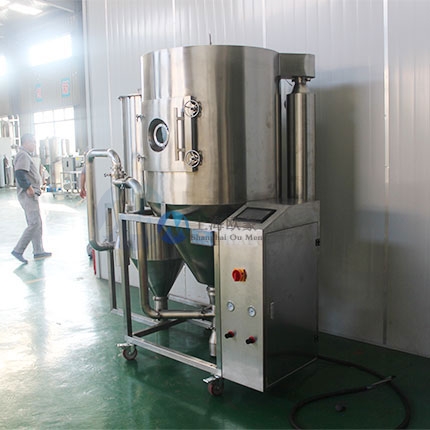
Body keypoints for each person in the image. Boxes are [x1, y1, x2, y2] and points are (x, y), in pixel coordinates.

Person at [11, 134, 52, 264]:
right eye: (33, 142)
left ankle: (38, 250)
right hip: (27, 194)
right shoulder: (23, 155)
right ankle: (18, 250)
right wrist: (28, 188)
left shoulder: (26, 155)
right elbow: (20, 173)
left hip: (31, 194)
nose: (35, 145)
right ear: (26, 142)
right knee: (34, 223)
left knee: (37, 223)